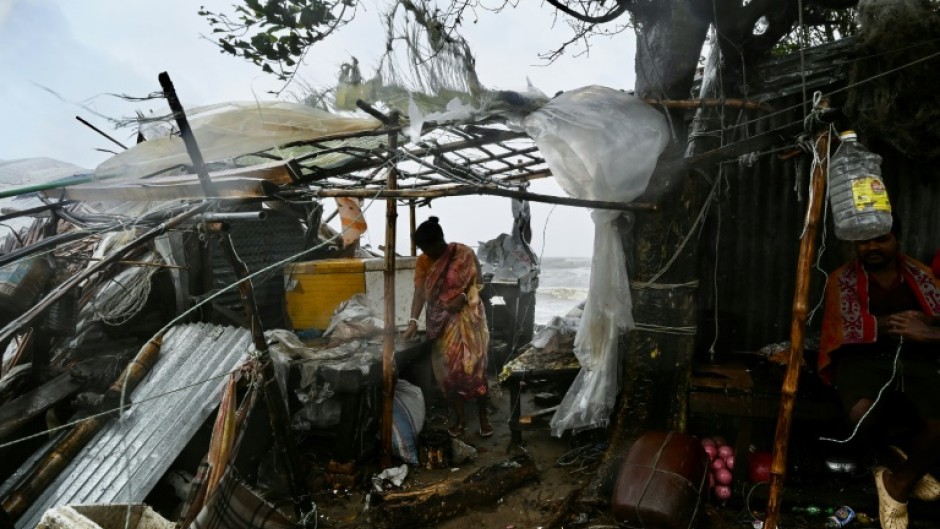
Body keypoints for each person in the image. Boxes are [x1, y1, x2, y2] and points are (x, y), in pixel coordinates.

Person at [818, 217, 940, 529]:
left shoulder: (922, 276)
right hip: (863, 360)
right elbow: (838, 328)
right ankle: (897, 461)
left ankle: (898, 483)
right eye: (864, 241)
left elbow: (935, 321)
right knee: (861, 414)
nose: (871, 247)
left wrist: (927, 330)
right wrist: (889, 324)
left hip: (916, 360)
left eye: (881, 239)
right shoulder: (841, 279)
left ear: (897, 238)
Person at [402, 217, 494, 439]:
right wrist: (413, 321)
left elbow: (478, 282)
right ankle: (461, 419)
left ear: (439, 241)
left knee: (475, 367)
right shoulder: (423, 261)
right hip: (441, 322)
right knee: (448, 372)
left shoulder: (463, 253)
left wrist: (462, 297)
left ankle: (483, 418)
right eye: (422, 249)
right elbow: (419, 292)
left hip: (469, 318)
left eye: (427, 247)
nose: (425, 252)